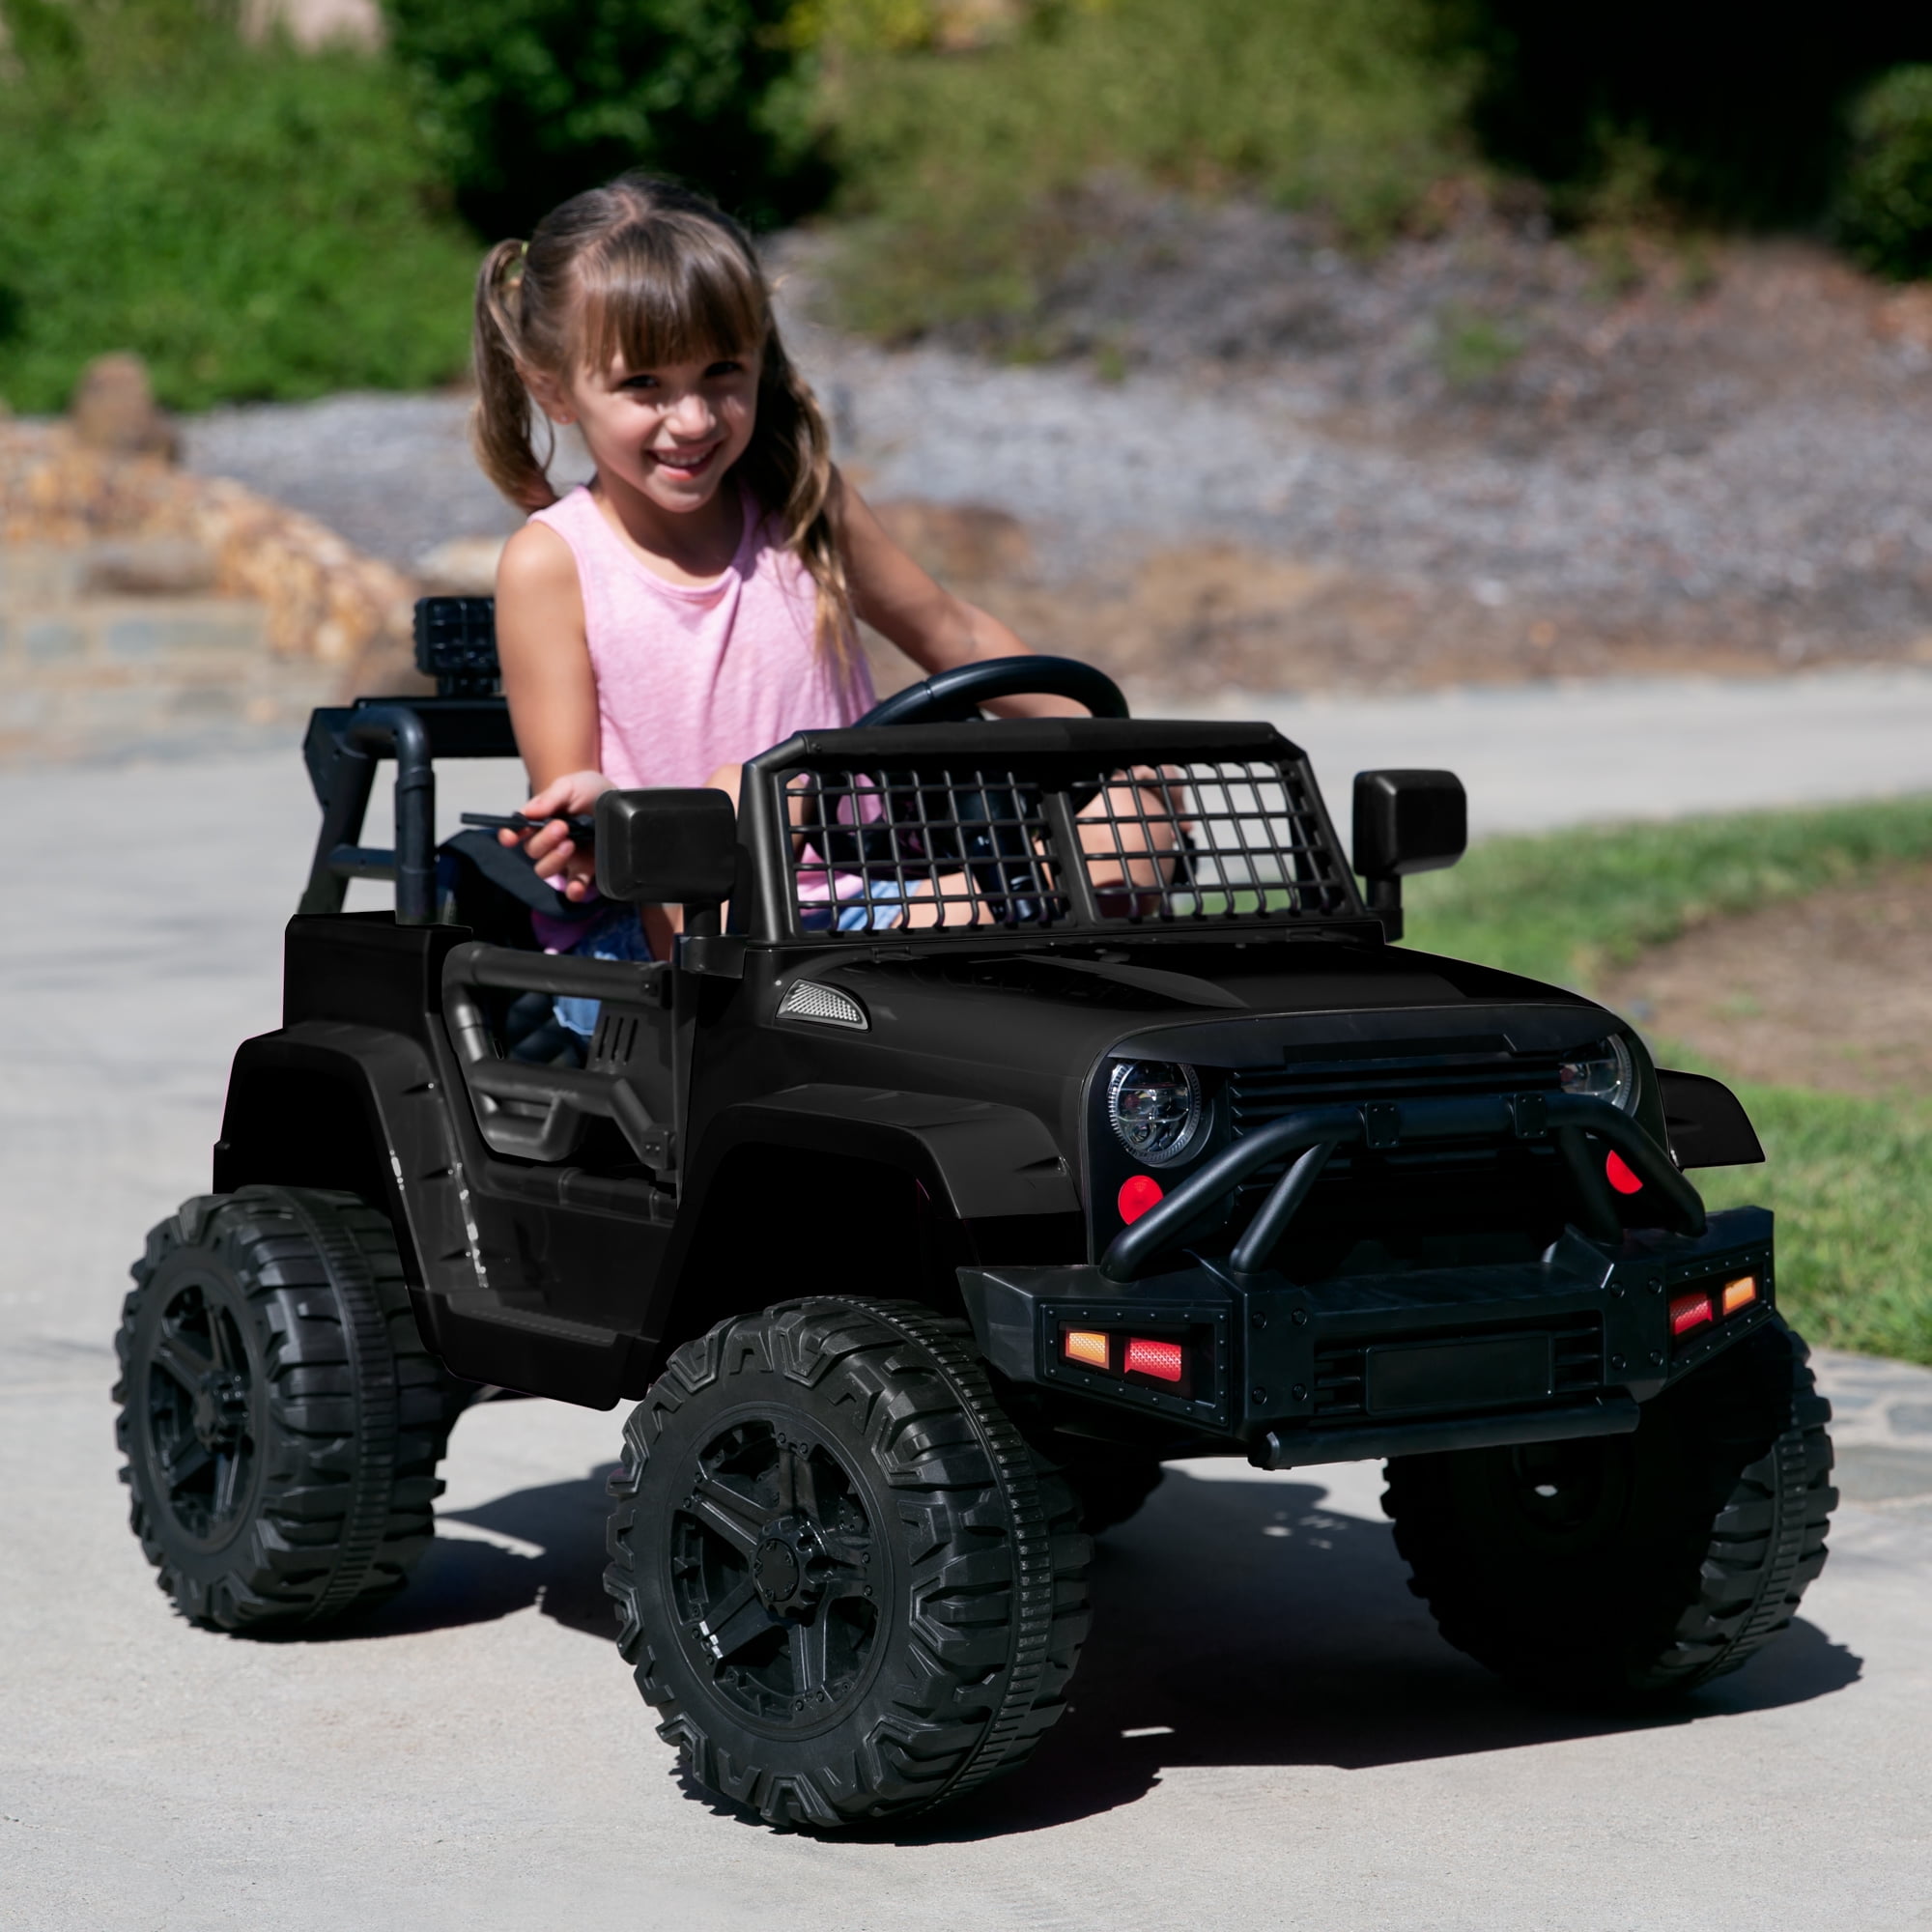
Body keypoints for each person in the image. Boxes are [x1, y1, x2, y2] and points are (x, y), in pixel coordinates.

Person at [471, 172, 1169, 1024]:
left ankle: (970, 913)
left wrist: (1119, 752)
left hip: (869, 887)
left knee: (1139, 807)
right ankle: (993, 915)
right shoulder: (552, 561)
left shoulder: (803, 503)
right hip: (665, 937)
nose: (693, 420)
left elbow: (952, 634)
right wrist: (580, 820)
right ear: (552, 388)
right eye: (644, 385)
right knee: (737, 799)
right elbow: (572, 794)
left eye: (721, 373)